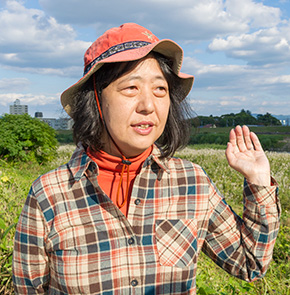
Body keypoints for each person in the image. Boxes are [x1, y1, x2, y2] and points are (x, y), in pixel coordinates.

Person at [12, 23, 280, 294]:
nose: (148, 106)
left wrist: (258, 180)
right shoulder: (49, 194)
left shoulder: (193, 183)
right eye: (130, 88)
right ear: (95, 99)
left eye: (160, 90)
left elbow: (250, 264)